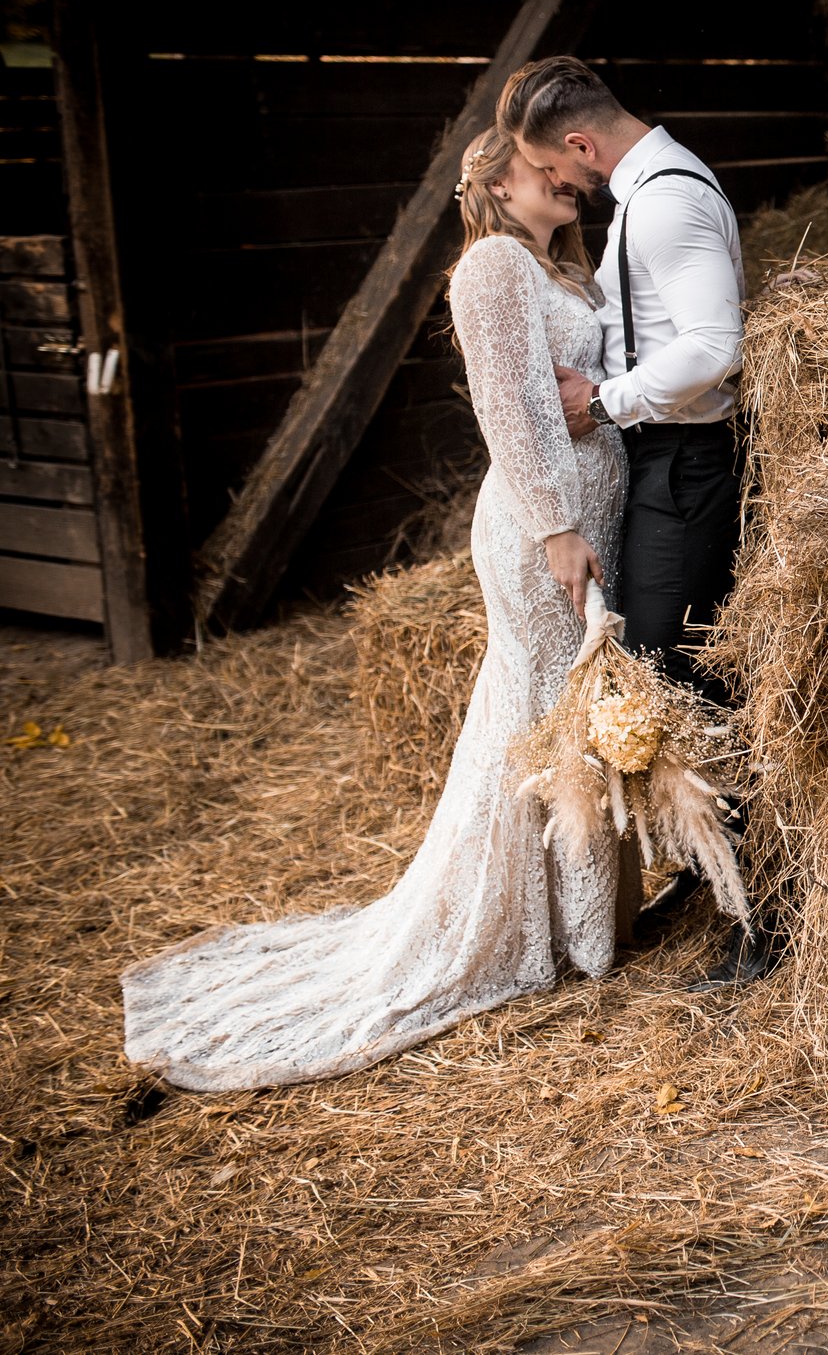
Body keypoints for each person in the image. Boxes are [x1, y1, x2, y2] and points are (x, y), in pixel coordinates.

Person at [122, 129, 630, 1090]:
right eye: (544, 168)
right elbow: (507, 410)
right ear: (496, 182)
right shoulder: (491, 268)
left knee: (578, 703)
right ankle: (541, 931)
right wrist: (557, 526)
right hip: (542, 527)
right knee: (544, 711)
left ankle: (583, 918)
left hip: (590, 508)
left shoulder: (561, 271)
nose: (569, 178)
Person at [497, 57, 772, 988]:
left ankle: (768, 909)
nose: (559, 183)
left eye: (554, 166)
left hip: (687, 463)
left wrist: (604, 402)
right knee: (670, 672)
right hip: (665, 460)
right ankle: (717, 874)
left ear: (581, 143)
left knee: (679, 681)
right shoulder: (650, 191)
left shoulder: (664, 203)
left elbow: (713, 345)